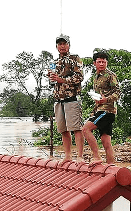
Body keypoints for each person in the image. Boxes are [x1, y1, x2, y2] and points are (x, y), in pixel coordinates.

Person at [48, 34, 84, 165]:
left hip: (72, 98)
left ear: (69, 45)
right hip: (58, 99)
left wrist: (62, 79)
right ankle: (67, 155)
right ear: (57, 46)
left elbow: (79, 77)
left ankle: (80, 156)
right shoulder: (53, 63)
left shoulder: (75, 58)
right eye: (59, 44)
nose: (62, 46)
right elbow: (51, 82)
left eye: (64, 43)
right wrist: (51, 78)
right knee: (63, 129)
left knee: (76, 128)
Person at [82, 51, 121, 165]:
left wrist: (106, 99)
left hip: (107, 111)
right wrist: (94, 110)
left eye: (104, 61)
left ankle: (96, 157)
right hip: (100, 110)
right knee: (106, 142)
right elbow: (99, 96)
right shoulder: (96, 77)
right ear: (94, 63)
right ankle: (111, 167)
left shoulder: (110, 75)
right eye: (99, 61)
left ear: (107, 62)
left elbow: (117, 93)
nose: (102, 64)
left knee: (86, 129)